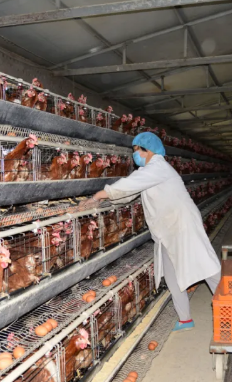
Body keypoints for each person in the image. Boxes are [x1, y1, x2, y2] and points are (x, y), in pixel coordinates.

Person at [89, 132, 221, 331]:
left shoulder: (158, 167)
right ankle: (185, 319)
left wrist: (98, 195)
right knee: (172, 276)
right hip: (167, 230)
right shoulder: (149, 171)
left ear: (148, 150)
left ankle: (231, 309)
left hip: (182, 225)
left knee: (207, 266)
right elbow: (130, 191)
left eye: (137, 150)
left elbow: (129, 185)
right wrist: (107, 199)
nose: (135, 155)